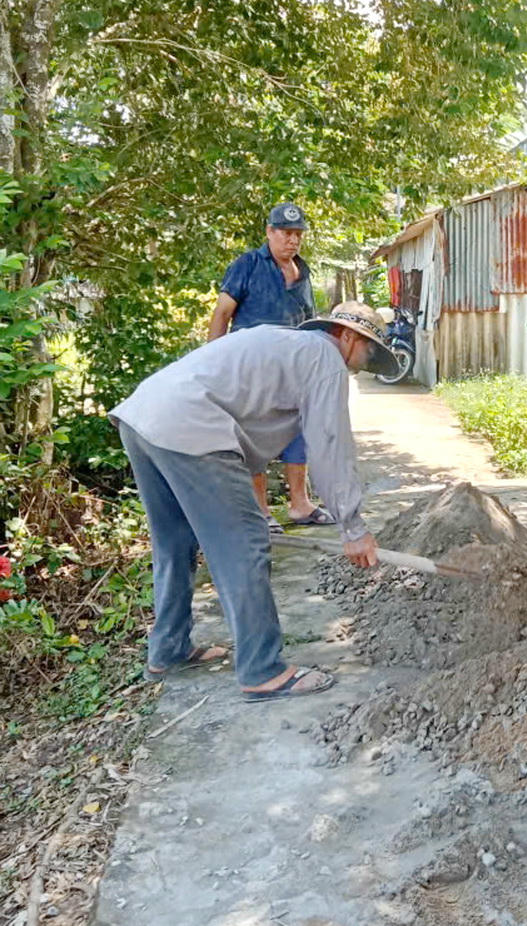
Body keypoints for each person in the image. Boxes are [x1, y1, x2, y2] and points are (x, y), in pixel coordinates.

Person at [110, 302, 400, 702]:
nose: (363, 365)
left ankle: (169, 650)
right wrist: (353, 528)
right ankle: (263, 671)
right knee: (245, 544)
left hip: (143, 417)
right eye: (368, 351)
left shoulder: (287, 346)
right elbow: (330, 447)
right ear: (347, 336)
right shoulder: (324, 359)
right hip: (191, 427)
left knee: (175, 543)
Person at [208, 202, 331, 531]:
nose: (292, 241)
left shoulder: (302, 272)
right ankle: (261, 512)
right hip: (250, 371)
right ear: (269, 233)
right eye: (286, 233)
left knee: (298, 432)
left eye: (297, 234)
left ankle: (300, 505)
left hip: (292, 372)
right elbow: (221, 314)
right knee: (254, 439)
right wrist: (215, 363)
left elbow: (309, 324)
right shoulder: (247, 264)